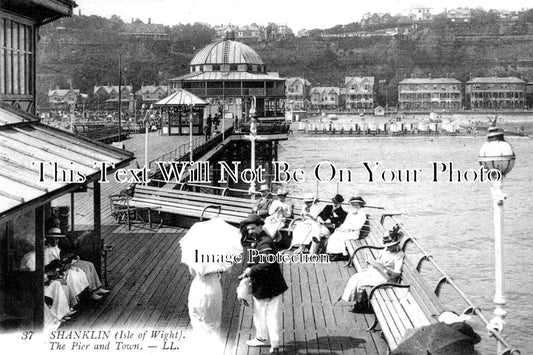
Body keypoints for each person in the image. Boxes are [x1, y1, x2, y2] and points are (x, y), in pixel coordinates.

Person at [239, 214, 288, 354]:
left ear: (260, 226)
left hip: (264, 285)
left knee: (260, 314)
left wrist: (250, 270)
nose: (250, 232)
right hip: (275, 284)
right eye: (248, 229)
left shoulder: (264, 242)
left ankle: (261, 338)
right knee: (272, 315)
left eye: (253, 228)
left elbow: (267, 263)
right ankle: (275, 343)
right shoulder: (262, 238)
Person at [341, 227, 405, 312]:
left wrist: (388, 270)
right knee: (355, 277)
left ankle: (362, 305)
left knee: (362, 283)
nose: (387, 248)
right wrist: (372, 262)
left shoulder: (399, 255)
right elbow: (379, 261)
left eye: (389, 246)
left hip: (387, 278)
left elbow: (397, 272)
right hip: (377, 271)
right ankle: (357, 301)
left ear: (396, 244)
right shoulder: (386, 250)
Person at [45, 225, 109, 302]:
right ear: (49, 239)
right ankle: (90, 292)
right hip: (61, 267)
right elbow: (52, 263)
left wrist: (73, 257)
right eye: (53, 239)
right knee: (83, 269)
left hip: (67, 262)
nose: (55, 241)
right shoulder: (47, 250)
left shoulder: (58, 246)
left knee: (90, 264)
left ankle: (96, 288)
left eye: (57, 239)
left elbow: (66, 253)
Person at [187, 267, 223, 348]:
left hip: (197, 289)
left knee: (197, 322)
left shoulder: (192, 254)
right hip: (214, 287)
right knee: (214, 323)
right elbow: (227, 268)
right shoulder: (219, 254)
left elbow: (192, 272)